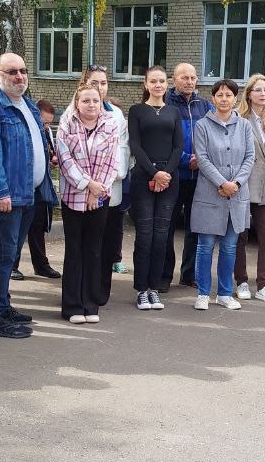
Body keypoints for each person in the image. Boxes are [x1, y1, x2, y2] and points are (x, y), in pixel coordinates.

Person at [0, 52, 57, 338]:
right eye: (12, 72)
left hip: (28, 194)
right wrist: (0, 191)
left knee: (10, 255)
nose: (19, 76)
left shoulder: (28, 104)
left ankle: (3, 305)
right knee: (3, 255)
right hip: (6, 197)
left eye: (22, 70)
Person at [62, 65, 130, 303]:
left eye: (103, 83)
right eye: (94, 82)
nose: (100, 88)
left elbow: (120, 151)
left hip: (107, 187)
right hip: (78, 191)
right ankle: (77, 294)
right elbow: (67, 157)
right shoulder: (72, 114)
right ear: (84, 83)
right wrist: (89, 185)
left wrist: (101, 186)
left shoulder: (115, 114)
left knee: (103, 243)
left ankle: (98, 292)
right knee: (79, 247)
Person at [56, 84, 120, 323]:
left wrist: (97, 191)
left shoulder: (110, 123)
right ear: (77, 102)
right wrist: (87, 185)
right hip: (73, 196)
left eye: (95, 100)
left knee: (94, 250)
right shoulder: (66, 124)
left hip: (99, 198)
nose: (91, 105)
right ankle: (72, 306)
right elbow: (65, 160)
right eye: (86, 101)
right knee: (74, 251)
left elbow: (112, 161)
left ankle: (91, 305)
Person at [191, 79, 256, 311]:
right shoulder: (202, 125)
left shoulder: (245, 126)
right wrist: (222, 182)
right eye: (220, 95)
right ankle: (203, 293)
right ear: (213, 99)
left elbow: (250, 157)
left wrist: (235, 184)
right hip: (209, 193)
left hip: (236, 195)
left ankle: (225, 293)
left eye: (229, 95)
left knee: (230, 247)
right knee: (205, 245)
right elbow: (202, 158)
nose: (224, 99)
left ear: (235, 99)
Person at [127, 64, 184, 311]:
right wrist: (155, 173)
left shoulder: (174, 112)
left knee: (162, 236)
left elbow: (178, 146)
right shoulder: (137, 111)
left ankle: (154, 288)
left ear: (167, 84)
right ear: (146, 84)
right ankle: (141, 289)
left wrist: (166, 173)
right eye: (153, 81)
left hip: (169, 180)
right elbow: (135, 146)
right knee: (145, 235)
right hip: (143, 178)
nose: (158, 85)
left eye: (162, 81)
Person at [233, 73, 265, 304]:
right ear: (249, 94)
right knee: (240, 236)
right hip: (243, 183)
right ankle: (241, 281)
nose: (263, 94)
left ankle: (263, 285)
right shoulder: (239, 117)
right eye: (258, 90)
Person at [162, 61, 212, 289]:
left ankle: (188, 274)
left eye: (192, 77)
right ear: (174, 80)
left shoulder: (205, 106)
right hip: (173, 176)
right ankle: (164, 276)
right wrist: (184, 159)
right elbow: (164, 140)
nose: (189, 81)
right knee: (167, 228)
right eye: (184, 77)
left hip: (199, 178)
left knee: (195, 229)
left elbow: (212, 136)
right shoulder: (166, 103)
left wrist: (200, 159)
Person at [14, 98, 61, 280]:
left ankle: (41, 265)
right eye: (44, 122)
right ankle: (13, 265)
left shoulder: (46, 131)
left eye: (49, 123)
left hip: (41, 186)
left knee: (38, 226)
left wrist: (52, 160)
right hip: (24, 186)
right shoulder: (26, 129)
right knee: (18, 228)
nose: (46, 126)